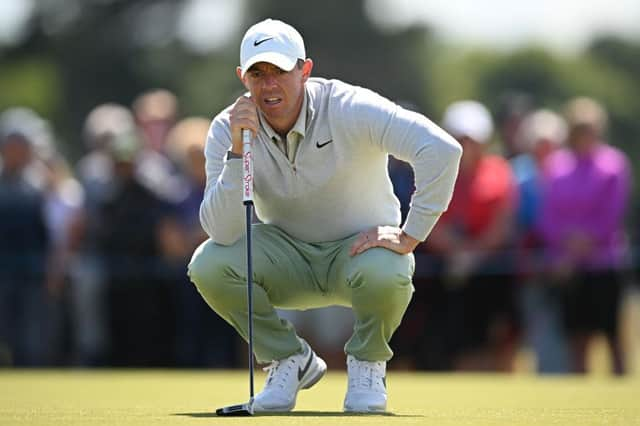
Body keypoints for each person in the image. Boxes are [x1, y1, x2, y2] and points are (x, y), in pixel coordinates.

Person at [187, 18, 461, 413]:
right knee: (209, 264)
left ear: (305, 70)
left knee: (389, 267)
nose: (269, 85)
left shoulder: (350, 107)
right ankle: (287, 359)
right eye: (257, 74)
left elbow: (441, 150)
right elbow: (221, 231)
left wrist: (411, 234)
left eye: (280, 71)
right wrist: (236, 154)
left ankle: (368, 365)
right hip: (287, 258)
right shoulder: (228, 129)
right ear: (242, 78)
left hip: (360, 253)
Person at [419, 100, 519, 371]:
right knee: (447, 341)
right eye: (459, 139)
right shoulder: (433, 169)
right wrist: (455, 251)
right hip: (444, 272)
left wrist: (472, 254)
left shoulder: (499, 171)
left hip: (490, 271)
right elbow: (426, 220)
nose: (466, 146)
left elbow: (502, 222)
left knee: (496, 338)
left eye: (471, 139)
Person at [537, 97, 631, 375]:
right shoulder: (557, 166)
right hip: (567, 269)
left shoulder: (614, 164)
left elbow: (611, 216)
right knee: (577, 338)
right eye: (579, 129)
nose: (584, 135)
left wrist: (578, 247)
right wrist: (566, 249)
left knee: (613, 337)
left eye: (589, 129)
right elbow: (549, 218)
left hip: (604, 264)